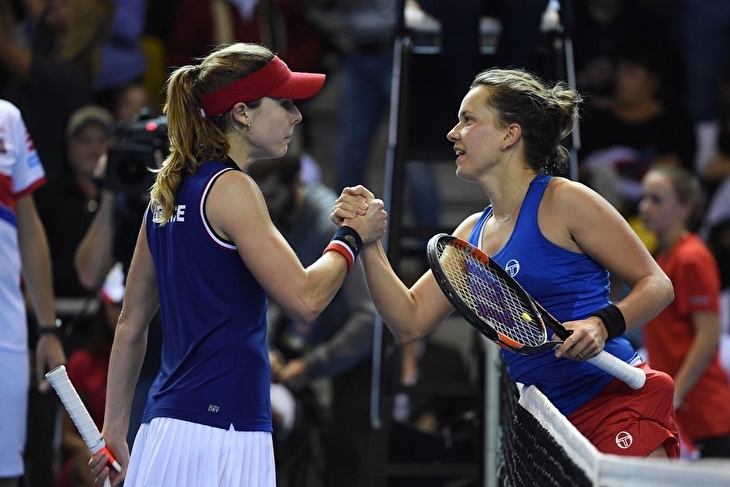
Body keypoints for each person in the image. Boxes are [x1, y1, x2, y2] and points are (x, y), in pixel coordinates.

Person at [333, 67, 680, 458]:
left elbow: (657, 284)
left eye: (468, 119)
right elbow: (408, 322)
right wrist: (368, 241)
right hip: (549, 427)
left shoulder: (566, 200)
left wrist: (602, 324)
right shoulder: (469, 236)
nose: (453, 132)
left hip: (616, 405)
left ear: (509, 134)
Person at [89, 42, 387, 487]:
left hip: (164, 428)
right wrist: (351, 237)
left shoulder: (167, 193)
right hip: (223, 430)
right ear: (243, 113)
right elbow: (306, 299)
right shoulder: (232, 188)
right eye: (284, 103)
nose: (297, 116)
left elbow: (131, 323)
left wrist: (115, 430)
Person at [246, 153, 377, 487]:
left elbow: (369, 320)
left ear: (295, 184)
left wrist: (310, 367)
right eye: (260, 199)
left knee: (343, 460)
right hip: (302, 346)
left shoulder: (327, 225)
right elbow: (269, 295)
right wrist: (267, 349)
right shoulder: (267, 219)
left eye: (273, 197)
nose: (267, 208)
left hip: (355, 356)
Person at [638, 165, 730, 458]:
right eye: (644, 198)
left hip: (703, 413)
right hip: (678, 409)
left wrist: (675, 394)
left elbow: (709, 334)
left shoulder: (691, 258)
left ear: (686, 207)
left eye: (657, 199)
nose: (645, 207)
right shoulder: (661, 257)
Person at [0, 99, 65, 487]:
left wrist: (47, 328)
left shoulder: (7, 118)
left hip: (5, 335)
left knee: (7, 474)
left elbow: (28, 225)